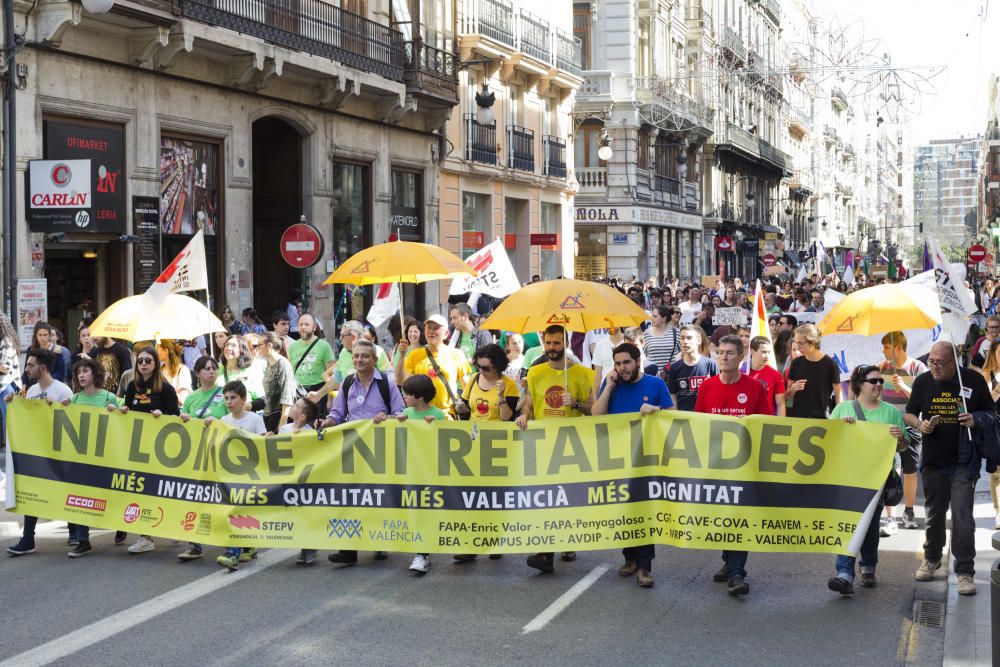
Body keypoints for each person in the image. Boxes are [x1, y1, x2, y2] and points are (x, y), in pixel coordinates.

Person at [905, 341, 994, 596]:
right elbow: (909, 414)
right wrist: (920, 424)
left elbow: (991, 413)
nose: (934, 367)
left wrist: (975, 419)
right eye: (931, 361)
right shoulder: (923, 382)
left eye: (940, 363)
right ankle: (932, 558)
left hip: (963, 461)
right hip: (933, 461)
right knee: (934, 515)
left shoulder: (972, 381)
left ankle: (965, 571)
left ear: (953, 362)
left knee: (962, 516)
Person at [694, 335, 772, 597]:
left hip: (744, 466)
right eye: (720, 353)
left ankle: (737, 573)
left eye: (730, 353)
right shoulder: (706, 388)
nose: (724, 357)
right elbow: (698, 425)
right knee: (722, 517)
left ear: (741, 358)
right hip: (715, 465)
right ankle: (729, 560)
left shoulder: (755, 387)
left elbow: (765, 424)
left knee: (740, 517)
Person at [591, 343, 673, 588]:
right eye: (617, 363)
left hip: (647, 459)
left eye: (626, 362)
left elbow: (673, 415)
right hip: (619, 459)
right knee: (626, 511)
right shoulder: (613, 384)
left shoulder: (655, 384)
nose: (622, 368)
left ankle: (645, 565)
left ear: (638, 361)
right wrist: (609, 386)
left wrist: (657, 410)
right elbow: (597, 414)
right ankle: (630, 558)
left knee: (644, 511)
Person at [515, 324, 595, 574]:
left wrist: (577, 403)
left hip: (572, 445)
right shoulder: (536, 372)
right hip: (543, 444)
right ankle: (545, 553)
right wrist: (524, 416)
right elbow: (528, 403)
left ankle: (567, 542)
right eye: (548, 343)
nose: (551, 348)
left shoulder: (582, 374)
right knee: (546, 498)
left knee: (567, 498)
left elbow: (594, 409)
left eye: (556, 343)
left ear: (566, 343)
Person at [320, 339, 405, 565]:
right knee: (351, 498)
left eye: (364, 356)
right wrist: (328, 421)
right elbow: (338, 414)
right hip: (353, 450)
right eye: (356, 356)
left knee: (376, 496)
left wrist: (386, 417)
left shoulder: (387, 384)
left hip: (380, 450)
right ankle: (349, 550)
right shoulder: (347, 383)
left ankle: (379, 540)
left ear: (375, 360)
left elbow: (401, 414)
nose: (359, 360)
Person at [826, 365, 909, 594]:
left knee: (870, 525)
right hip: (848, 476)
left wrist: (901, 438)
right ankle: (844, 573)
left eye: (881, 381)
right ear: (859, 385)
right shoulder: (842, 409)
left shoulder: (891, 412)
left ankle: (869, 566)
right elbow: (827, 441)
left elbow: (903, 447)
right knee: (848, 524)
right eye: (873, 381)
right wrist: (841, 428)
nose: (879, 385)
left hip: (877, 478)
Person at [6, 349, 75, 556]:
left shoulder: (63, 391)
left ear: (42, 367)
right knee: (32, 491)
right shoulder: (32, 390)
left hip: (60, 451)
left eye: (30, 365)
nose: (27, 369)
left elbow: (74, 420)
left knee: (64, 488)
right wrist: (14, 404)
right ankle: (28, 538)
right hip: (37, 452)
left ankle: (74, 530)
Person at [120, 346, 180, 554]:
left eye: (148, 360)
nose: (144, 364)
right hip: (138, 449)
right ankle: (145, 536)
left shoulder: (166, 388)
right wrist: (123, 412)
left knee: (163, 489)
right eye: (141, 361)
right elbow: (126, 415)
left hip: (161, 449)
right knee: (142, 491)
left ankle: (174, 524)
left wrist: (161, 414)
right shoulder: (131, 387)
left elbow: (176, 418)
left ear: (156, 364)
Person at [394, 374, 448, 574]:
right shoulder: (406, 412)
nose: (404, 397)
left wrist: (435, 424)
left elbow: (446, 439)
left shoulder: (438, 414)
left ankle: (423, 553)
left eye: (408, 394)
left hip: (430, 471)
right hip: (409, 469)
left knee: (426, 511)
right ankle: (420, 551)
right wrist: (398, 421)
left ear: (420, 396)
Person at [878, 331, 928, 534]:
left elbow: (924, 398)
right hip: (888, 425)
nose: (883, 351)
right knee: (890, 469)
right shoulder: (882, 366)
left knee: (910, 470)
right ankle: (890, 516)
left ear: (899, 347)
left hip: (911, 426)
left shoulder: (918, 367)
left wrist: (904, 388)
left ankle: (908, 511)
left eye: (887, 347)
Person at [214, 380, 267, 570]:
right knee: (234, 510)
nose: (229, 402)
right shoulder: (224, 421)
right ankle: (236, 551)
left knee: (243, 510)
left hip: (250, 474)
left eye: (233, 398)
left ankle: (239, 549)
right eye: (226, 398)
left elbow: (262, 442)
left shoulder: (254, 419)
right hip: (232, 474)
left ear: (244, 399)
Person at [395, 314, 471, 419]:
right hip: (420, 416)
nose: (431, 331)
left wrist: (464, 406)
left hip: (446, 416)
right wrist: (402, 357)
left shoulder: (457, 354)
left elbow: (466, 386)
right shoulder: (414, 355)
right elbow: (400, 382)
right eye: (429, 328)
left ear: (446, 334)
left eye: (436, 328)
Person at [785, 324, 841, 419]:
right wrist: (793, 389)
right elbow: (788, 396)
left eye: (801, 343)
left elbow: (838, 396)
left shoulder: (830, 364)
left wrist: (840, 418)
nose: (798, 347)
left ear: (813, 342)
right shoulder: (796, 363)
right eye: (796, 342)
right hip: (799, 418)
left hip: (822, 419)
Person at [459, 344, 518, 423]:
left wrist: (501, 396)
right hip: (473, 431)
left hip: (496, 433)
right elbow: (464, 405)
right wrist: (459, 408)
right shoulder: (474, 378)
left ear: (498, 366)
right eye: (478, 366)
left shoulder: (509, 384)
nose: (481, 371)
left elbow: (507, 418)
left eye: (485, 368)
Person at [288, 314, 335, 411]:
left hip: (318, 392)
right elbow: (290, 373)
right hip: (298, 393)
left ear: (314, 327)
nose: (303, 327)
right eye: (300, 324)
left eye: (306, 324)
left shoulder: (324, 346)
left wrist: (330, 400)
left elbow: (332, 374)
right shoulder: (292, 347)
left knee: (315, 425)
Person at [667, 325, 718, 412]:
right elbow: (673, 395)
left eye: (689, 338)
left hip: (707, 416)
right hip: (684, 418)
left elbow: (718, 391)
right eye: (682, 338)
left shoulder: (711, 364)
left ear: (698, 340)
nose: (685, 342)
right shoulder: (674, 367)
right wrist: (675, 417)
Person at [980, 339, 1000, 530]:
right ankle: (999, 512)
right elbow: (987, 402)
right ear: (993, 355)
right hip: (995, 426)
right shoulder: (987, 374)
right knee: (997, 473)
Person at [260, 332, 297, 433]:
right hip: (269, 416)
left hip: (279, 417)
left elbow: (287, 395)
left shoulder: (283, 363)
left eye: (259, 345)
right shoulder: (269, 362)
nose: (257, 348)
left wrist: (282, 423)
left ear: (269, 346)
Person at [747, 337, 786, 416]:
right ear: (752, 352)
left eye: (769, 352)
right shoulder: (741, 371)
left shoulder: (776, 375)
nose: (767, 356)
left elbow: (781, 404)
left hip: (766, 421)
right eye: (764, 352)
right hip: (745, 420)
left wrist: (781, 425)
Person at [643, 306, 681, 378]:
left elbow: (682, 353)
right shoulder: (646, 333)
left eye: (655, 316)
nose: (651, 318)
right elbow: (643, 355)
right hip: (652, 377)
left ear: (664, 318)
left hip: (672, 376)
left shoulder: (676, 332)